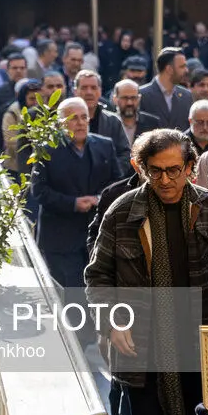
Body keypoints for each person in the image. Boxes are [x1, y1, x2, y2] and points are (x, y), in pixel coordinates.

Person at [85, 128, 208, 415]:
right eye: (155, 171)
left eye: (174, 170)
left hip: (199, 352)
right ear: (141, 168)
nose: (165, 180)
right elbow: (97, 275)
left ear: (190, 167)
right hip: (141, 354)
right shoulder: (122, 212)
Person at [32, 97, 122, 289]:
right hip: (60, 238)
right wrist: (72, 203)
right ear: (60, 123)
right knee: (71, 296)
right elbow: (39, 191)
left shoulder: (105, 145)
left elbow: (118, 183)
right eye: (73, 118)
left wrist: (98, 199)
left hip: (97, 235)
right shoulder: (46, 150)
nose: (80, 123)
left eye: (84, 117)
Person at [75, 69, 131, 177]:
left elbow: (125, 154)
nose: (89, 92)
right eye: (84, 88)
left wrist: (111, 173)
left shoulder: (113, 121)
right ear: (75, 91)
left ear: (100, 91)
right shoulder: (64, 121)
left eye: (93, 87)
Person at [139, 47, 194, 130]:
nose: (186, 70)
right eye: (182, 67)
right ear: (169, 69)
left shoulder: (187, 96)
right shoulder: (141, 95)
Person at [0, 52, 28, 150]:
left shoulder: (35, 90)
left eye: (22, 68)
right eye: (15, 68)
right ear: (8, 70)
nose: (18, 71)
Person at [112, 79, 161, 148]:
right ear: (115, 99)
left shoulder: (152, 123)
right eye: (125, 98)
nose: (129, 103)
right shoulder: (108, 123)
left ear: (139, 99)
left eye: (133, 98)